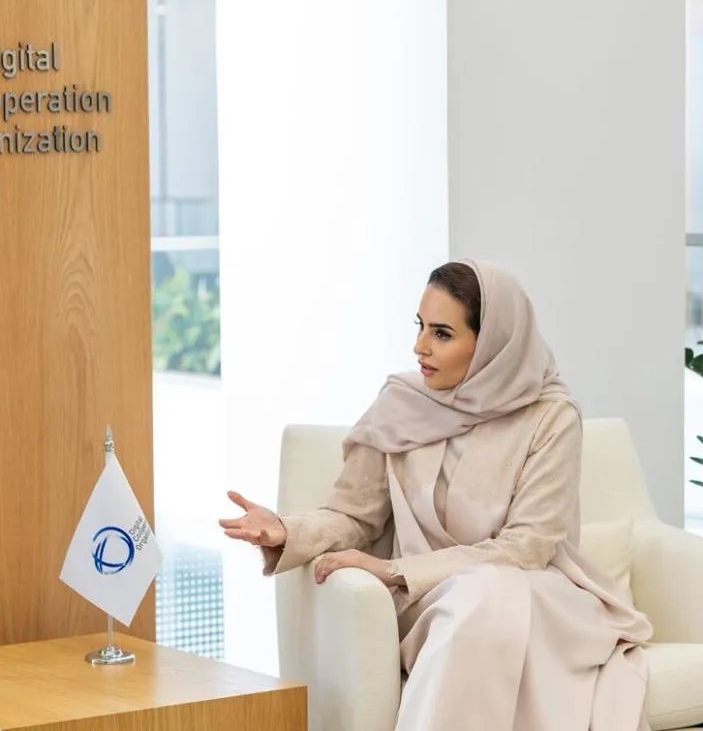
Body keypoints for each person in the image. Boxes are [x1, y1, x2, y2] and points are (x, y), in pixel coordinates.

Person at [219, 260, 653, 730]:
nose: (420, 346)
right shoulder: (400, 405)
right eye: (420, 326)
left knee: (483, 595)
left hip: (530, 595)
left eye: (442, 333)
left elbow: (527, 547)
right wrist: (288, 530)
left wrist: (393, 570)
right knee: (477, 601)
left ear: (492, 344)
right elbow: (355, 515)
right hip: (426, 602)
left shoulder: (550, 417)